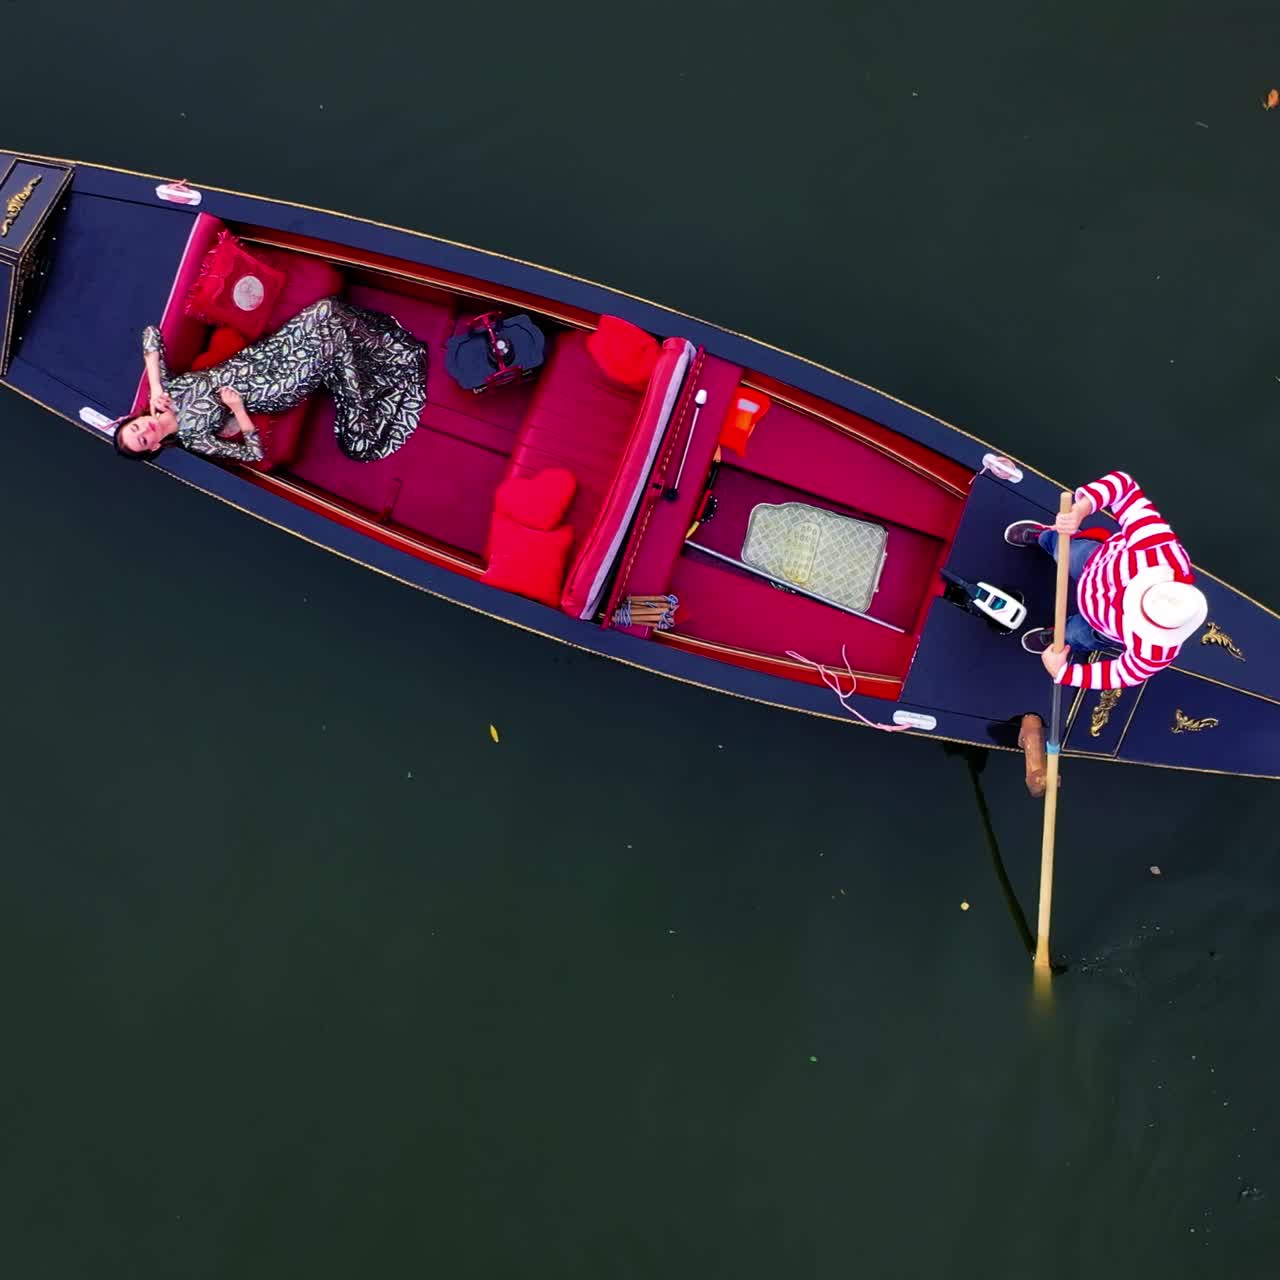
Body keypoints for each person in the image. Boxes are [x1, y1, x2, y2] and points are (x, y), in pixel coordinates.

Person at [113, 297, 426, 464]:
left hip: (261, 356)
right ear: (153, 448)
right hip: (274, 388)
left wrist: (154, 386)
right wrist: (237, 410)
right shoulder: (196, 440)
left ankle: (389, 355)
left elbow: (151, 333)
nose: (145, 430)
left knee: (326, 310)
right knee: (333, 343)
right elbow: (254, 454)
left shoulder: (165, 392)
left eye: (136, 427)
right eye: (142, 439)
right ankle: (395, 361)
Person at [1004, 470, 1207, 691]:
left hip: (1101, 624)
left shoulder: (1158, 649)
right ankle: (1045, 537)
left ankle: (1059, 636)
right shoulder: (1157, 547)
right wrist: (1081, 510)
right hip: (1093, 564)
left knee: (1077, 635)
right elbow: (1124, 487)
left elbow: (1124, 675)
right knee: (1064, 551)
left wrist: (1063, 673)